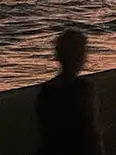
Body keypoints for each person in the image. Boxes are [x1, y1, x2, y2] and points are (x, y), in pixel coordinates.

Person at [37, 27, 103, 155]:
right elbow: (91, 131)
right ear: (80, 57)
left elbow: (44, 132)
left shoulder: (46, 91)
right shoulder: (84, 90)